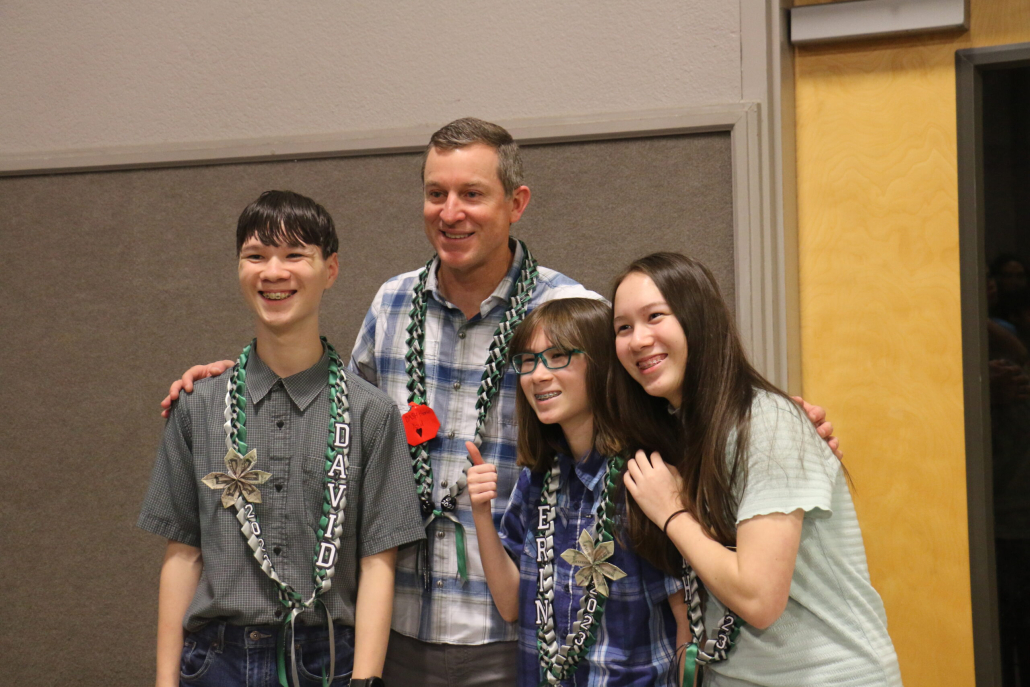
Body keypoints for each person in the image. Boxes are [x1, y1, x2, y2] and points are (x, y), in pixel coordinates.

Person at [159, 119, 840, 686]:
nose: (450, 212)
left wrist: (768, 423)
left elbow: (658, 414)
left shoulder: (572, 312)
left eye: (472, 194)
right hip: (398, 626)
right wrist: (234, 380)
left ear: (517, 202)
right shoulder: (392, 305)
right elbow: (333, 406)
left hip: (517, 631)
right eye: (435, 193)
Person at [138, 190, 425, 687]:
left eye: (295, 255)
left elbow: (379, 560)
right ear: (239, 268)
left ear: (330, 270)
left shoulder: (371, 413)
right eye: (256, 256)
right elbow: (182, 551)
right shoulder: (199, 406)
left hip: (329, 658)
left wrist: (366, 679)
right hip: (215, 661)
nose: (274, 272)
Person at [611, 252, 902, 686]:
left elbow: (759, 598)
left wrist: (671, 513)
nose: (637, 339)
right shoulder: (678, 435)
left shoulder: (767, 423)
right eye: (623, 328)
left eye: (655, 316)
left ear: (698, 320)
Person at [466, 298, 689, 686]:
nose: (538, 375)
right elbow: (509, 604)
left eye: (557, 356)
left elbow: (687, 620)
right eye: (528, 360)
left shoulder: (647, 476)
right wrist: (482, 515)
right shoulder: (538, 479)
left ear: (601, 365)